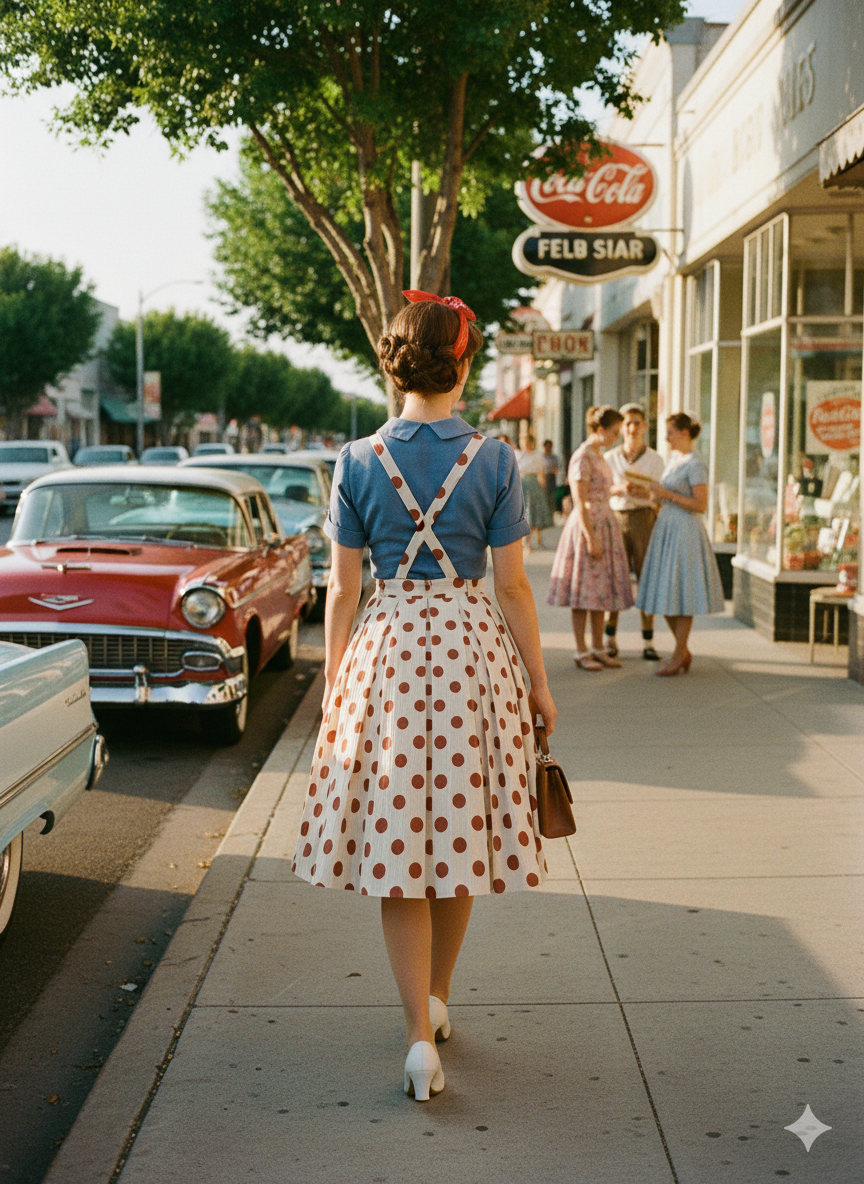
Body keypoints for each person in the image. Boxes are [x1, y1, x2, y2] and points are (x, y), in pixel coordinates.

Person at [292, 290, 557, 1103]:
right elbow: (513, 588)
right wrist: (539, 686)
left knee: (400, 848)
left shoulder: (356, 460)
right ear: (463, 364)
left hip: (390, 655)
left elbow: (340, 590)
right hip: (474, 652)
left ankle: (416, 1036)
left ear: (393, 364)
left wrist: (338, 679)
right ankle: (440, 997)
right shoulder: (498, 459)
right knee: (462, 830)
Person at [636, 412, 725, 675]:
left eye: (671, 432)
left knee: (682, 592)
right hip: (667, 527)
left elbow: (701, 504)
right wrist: (649, 494)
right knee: (665, 591)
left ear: (685, 433)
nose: (666, 437)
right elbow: (666, 496)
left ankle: (679, 653)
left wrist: (667, 494)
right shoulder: (675, 460)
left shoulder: (695, 463)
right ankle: (682, 651)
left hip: (685, 530)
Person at [547, 405, 634, 670]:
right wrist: (590, 535)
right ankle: (581, 650)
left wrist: (621, 489)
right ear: (600, 430)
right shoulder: (583, 456)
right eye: (615, 431)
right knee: (583, 590)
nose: (618, 437)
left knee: (601, 591)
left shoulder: (598, 454)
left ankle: (597, 647)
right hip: (589, 524)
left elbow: (602, 489)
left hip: (605, 522)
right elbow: (580, 499)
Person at [603, 403, 665, 660]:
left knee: (645, 577)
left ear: (645, 426)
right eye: (627, 423)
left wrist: (646, 494)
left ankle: (648, 640)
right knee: (614, 577)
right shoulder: (610, 458)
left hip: (643, 518)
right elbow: (600, 490)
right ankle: (610, 638)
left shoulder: (655, 459)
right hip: (617, 516)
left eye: (637, 422)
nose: (632, 428)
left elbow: (661, 496)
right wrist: (620, 489)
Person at [517, 433, 554, 548]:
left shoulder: (538, 455)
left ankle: (537, 540)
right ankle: (526, 541)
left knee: (534, 512)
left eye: (528, 441)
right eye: (524, 441)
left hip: (533, 483)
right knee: (524, 513)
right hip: (521, 483)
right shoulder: (517, 455)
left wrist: (543, 487)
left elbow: (541, 472)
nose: (526, 444)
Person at [542, 439, 560, 517]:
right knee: (543, 495)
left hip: (551, 477)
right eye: (548, 446)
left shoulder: (554, 457)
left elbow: (557, 468)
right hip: (543, 477)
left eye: (550, 446)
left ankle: (551, 513)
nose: (549, 447)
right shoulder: (541, 457)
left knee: (551, 496)